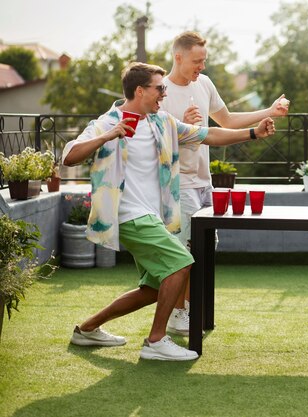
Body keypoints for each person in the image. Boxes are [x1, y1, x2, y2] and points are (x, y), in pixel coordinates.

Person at [64, 62, 276, 361]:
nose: (165, 93)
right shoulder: (106, 122)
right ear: (140, 91)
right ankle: (156, 341)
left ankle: (86, 329)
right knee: (180, 263)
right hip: (127, 214)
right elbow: (70, 157)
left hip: (153, 216)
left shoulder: (161, 121)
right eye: (160, 88)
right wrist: (108, 136)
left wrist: (253, 133)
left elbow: (208, 135)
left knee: (153, 288)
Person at [160, 31, 290, 336]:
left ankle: (190, 310)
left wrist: (269, 111)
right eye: (197, 61)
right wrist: (186, 127)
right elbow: (156, 142)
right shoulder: (160, 91)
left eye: (204, 60)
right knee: (184, 253)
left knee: (204, 248)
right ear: (178, 57)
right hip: (177, 184)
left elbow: (227, 121)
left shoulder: (203, 84)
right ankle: (178, 314)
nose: (201, 67)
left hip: (204, 183)